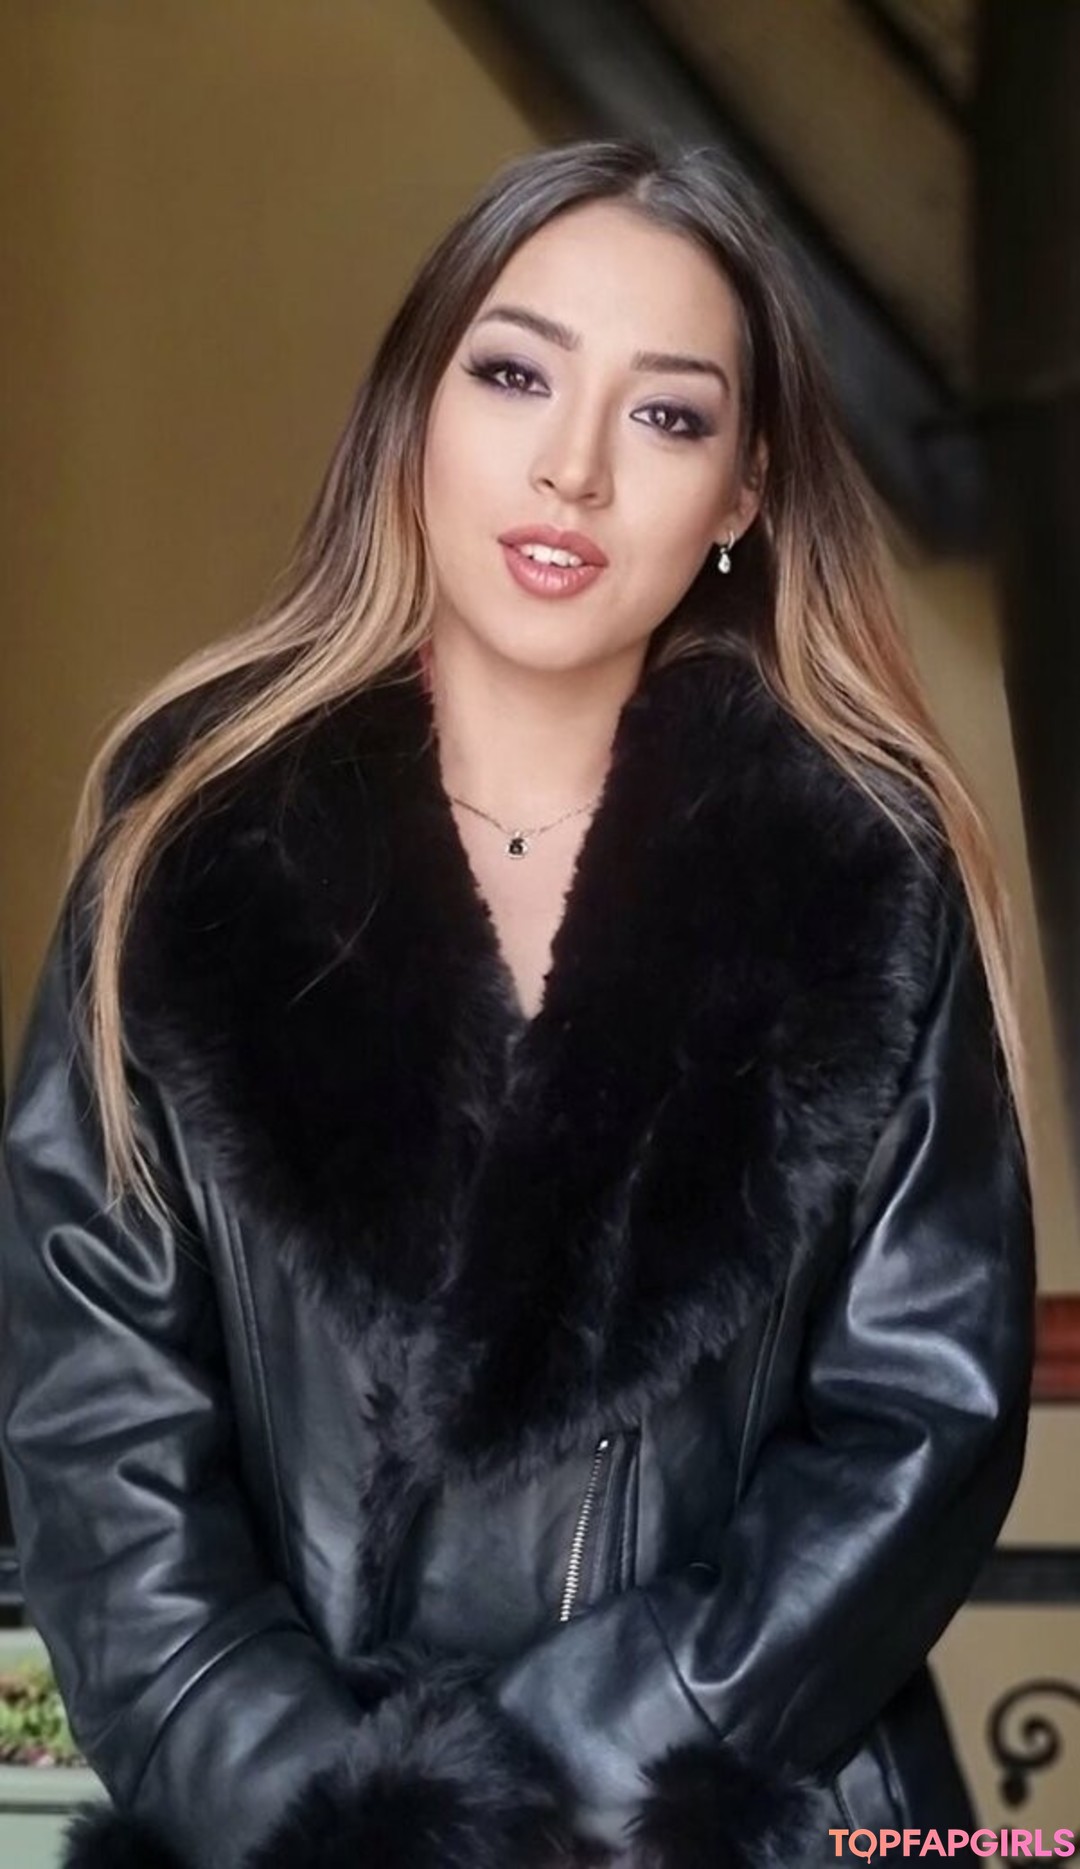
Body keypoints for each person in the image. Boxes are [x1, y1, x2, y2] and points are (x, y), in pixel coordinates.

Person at [0, 139, 1034, 1869]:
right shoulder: (188, 854)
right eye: (514, 373)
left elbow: (920, 1421)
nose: (574, 467)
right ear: (416, 406)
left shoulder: (863, 876)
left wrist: (546, 1797)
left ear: (743, 493)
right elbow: (98, 1440)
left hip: (721, 1823)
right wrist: (354, 1826)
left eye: (667, 414)